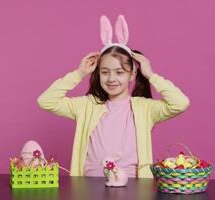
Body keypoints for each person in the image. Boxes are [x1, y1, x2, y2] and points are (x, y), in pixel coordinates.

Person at [36, 15, 190, 178]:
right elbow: (46, 101)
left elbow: (180, 103)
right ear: (98, 73)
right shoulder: (86, 106)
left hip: (133, 187)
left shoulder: (145, 108)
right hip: (89, 186)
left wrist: (151, 75)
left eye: (119, 72)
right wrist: (79, 73)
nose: (111, 79)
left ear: (132, 74)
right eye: (105, 72)